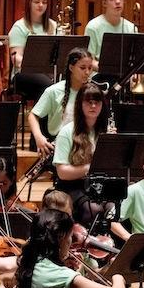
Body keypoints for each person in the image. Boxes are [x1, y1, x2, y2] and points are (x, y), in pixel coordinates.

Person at [52, 83, 110, 227]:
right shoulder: (67, 132)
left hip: (98, 185)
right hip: (72, 187)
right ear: (80, 104)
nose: (93, 105)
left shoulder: (106, 131)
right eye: (88, 101)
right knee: (94, 210)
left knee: (113, 209)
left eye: (97, 102)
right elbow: (62, 173)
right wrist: (91, 167)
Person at [28, 47, 92, 157]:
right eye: (82, 68)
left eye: (90, 68)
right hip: (59, 147)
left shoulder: (92, 92)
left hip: (85, 145)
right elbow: (33, 115)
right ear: (71, 67)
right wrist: (39, 137)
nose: (87, 72)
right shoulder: (54, 91)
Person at [84, 0, 135, 69]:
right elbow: (89, 60)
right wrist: (107, 69)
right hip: (99, 75)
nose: (118, 2)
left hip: (124, 75)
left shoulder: (131, 27)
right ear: (104, 3)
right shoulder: (93, 26)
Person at [8, 0, 57, 71]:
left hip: (49, 74)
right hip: (25, 75)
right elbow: (16, 58)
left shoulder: (53, 25)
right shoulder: (19, 27)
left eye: (44, 2)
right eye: (36, 2)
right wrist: (37, 67)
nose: (41, 5)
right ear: (29, 3)